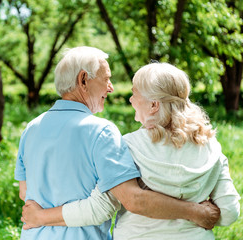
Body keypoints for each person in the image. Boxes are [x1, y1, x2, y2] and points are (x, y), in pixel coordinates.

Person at [15, 47, 220, 240]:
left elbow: (25, 193)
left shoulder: (30, 129)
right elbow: (131, 199)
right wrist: (197, 212)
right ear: (83, 80)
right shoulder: (101, 132)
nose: (111, 88)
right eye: (107, 79)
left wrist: (40, 217)